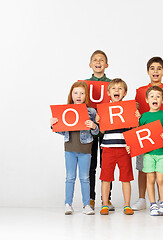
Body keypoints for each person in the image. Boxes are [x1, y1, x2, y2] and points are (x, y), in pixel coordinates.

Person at [132, 57, 163, 211]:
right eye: (152, 68)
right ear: (147, 71)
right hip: (144, 135)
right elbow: (135, 115)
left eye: (159, 68)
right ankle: (142, 198)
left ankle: (161, 200)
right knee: (142, 168)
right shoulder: (140, 91)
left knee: (159, 173)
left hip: (160, 140)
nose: (155, 71)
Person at [50, 81, 98, 215]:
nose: (79, 96)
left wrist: (94, 126)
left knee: (85, 178)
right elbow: (60, 130)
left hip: (85, 149)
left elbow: (95, 132)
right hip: (70, 148)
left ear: (86, 96)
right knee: (70, 177)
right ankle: (68, 204)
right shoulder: (66, 111)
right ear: (71, 95)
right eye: (76, 93)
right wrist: (53, 124)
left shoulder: (91, 111)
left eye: (82, 93)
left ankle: (87, 205)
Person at [96, 79, 140, 215]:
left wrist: (136, 119)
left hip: (124, 148)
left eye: (120, 88)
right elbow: (101, 132)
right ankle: (105, 204)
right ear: (108, 92)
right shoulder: (104, 110)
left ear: (125, 93)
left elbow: (133, 129)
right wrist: (98, 122)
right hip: (108, 148)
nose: (117, 90)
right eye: (114, 88)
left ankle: (127, 205)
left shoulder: (129, 109)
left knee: (125, 178)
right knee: (106, 177)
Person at [127, 86, 163, 216]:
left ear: (162, 100)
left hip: (162, 153)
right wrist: (131, 146)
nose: (155, 98)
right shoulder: (144, 117)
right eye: (152, 96)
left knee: (161, 179)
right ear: (147, 100)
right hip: (148, 154)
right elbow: (138, 136)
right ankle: (152, 204)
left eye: (158, 96)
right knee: (150, 179)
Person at [86, 50, 114, 211]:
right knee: (91, 165)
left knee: (106, 165)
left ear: (106, 65)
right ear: (90, 64)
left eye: (102, 60)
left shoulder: (111, 84)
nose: (98, 62)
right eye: (95, 60)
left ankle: (106, 198)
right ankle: (90, 198)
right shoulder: (84, 84)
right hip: (88, 130)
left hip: (107, 131)